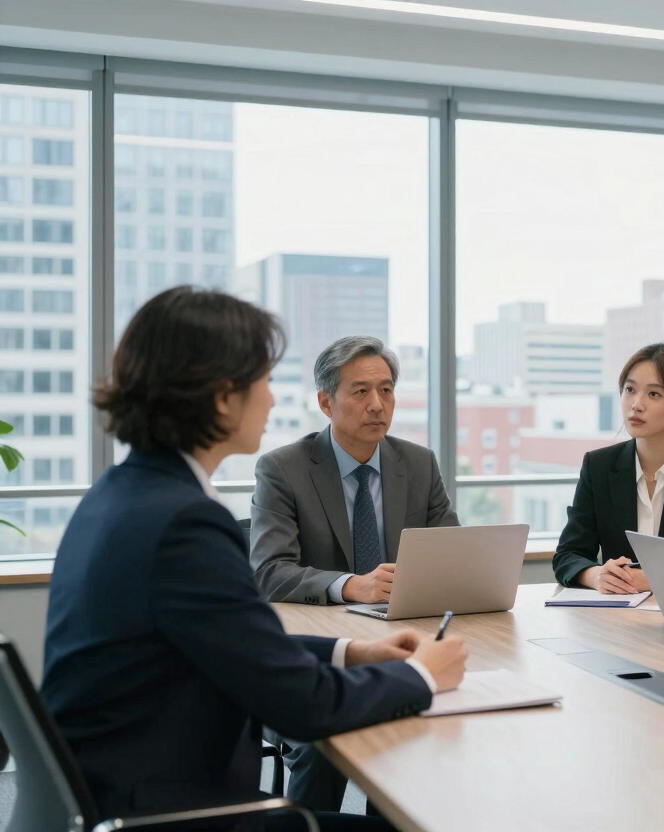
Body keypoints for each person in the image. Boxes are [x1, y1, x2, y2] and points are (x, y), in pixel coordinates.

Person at [41, 286, 468, 832]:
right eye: (263, 380)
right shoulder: (185, 523)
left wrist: (349, 651)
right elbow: (301, 704)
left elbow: (232, 638)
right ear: (221, 396)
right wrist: (422, 678)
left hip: (128, 797)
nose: (269, 399)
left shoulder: (123, 494)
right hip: (182, 814)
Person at [249, 335, 460, 814]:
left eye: (386, 390)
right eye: (360, 392)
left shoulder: (419, 463)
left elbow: (451, 553)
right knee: (323, 743)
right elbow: (268, 571)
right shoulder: (283, 468)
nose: (377, 405)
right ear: (326, 402)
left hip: (405, 636)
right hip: (325, 651)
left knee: (439, 726)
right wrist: (349, 584)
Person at [553, 343, 664, 595]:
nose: (636, 404)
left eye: (654, 394)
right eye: (630, 390)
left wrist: (650, 580)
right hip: (617, 620)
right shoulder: (599, 467)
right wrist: (596, 575)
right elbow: (568, 554)